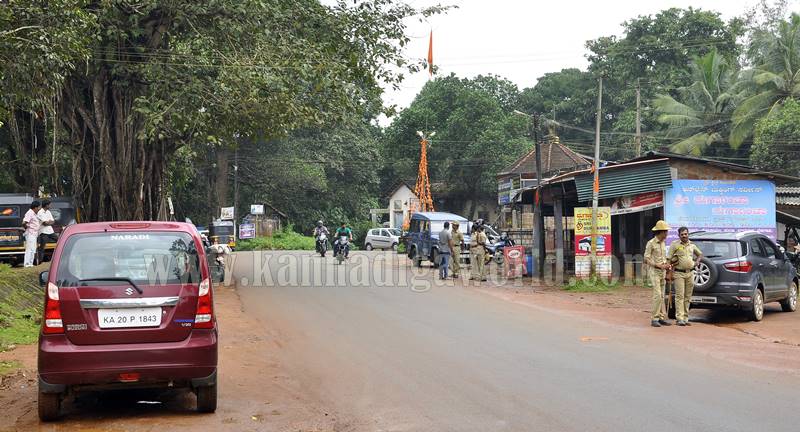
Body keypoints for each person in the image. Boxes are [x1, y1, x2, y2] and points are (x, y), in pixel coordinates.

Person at [668, 226, 703, 326]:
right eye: (682, 234)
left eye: (686, 234)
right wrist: (669, 269)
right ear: (679, 235)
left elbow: (700, 254)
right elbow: (669, 258)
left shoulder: (692, 245)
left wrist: (697, 262)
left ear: (688, 234)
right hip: (679, 273)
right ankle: (679, 318)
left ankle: (686, 318)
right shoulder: (675, 245)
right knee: (680, 296)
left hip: (690, 273)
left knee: (688, 296)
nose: (684, 236)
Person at [644, 220, 672, 327]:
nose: (667, 234)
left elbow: (664, 258)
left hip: (663, 272)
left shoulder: (663, 243)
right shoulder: (651, 243)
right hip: (655, 271)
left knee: (661, 296)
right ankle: (654, 318)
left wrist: (667, 267)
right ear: (660, 232)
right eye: (665, 232)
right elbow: (646, 258)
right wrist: (658, 265)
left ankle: (660, 317)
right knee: (657, 295)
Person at [21, 201, 42, 267]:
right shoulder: (29, 213)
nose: (39, 208)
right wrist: (27, 227)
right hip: (30, 233)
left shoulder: (34, 213)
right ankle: (27, 264)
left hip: (34, 233)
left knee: (33, 249)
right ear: (35, 207)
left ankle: (30, 263)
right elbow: (24, 222)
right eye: (39, 207)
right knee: (29, 249)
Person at [37, 199, 57, 264]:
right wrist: (49, 222)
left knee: (59, 240)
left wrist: (48, 222)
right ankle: (40, 262)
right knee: (42, 247)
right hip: (43, 232)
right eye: (49, 204)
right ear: (46, 205)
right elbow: (44, 223)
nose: (50, 205)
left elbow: (53, 221)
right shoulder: (40, 212)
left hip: (50, 231)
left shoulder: (48, 211)